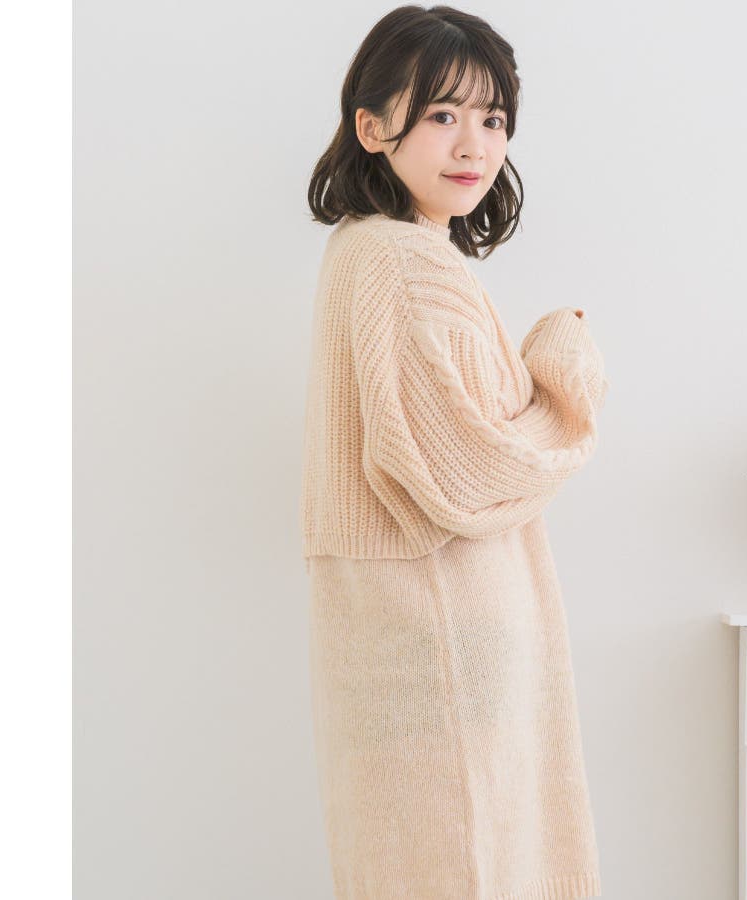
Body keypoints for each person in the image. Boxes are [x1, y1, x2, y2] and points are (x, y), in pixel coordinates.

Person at [300, 6, 610, 898]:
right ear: (372, 127)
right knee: (470, 863)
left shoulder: (371, 252)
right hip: (441, 621)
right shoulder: (402, 262)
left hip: (410, 616)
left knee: (420, 862)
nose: (475, 144)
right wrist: (566, 377)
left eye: (493, 117)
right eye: (442, 114)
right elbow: (471, 474)